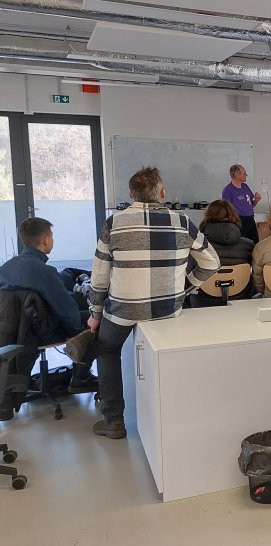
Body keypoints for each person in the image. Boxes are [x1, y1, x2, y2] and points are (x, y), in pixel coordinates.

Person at [88, 167, 220, 439]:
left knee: (107, 350)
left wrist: (95, 313)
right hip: (167, 309)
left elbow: (99, 276)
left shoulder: (113, 223)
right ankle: (175, 418)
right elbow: (212, 262)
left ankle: (113, 420)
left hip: (123, 308)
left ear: (130, 194)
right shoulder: (182, 222)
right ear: (162, 193)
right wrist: (187, 286)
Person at [0, 218, 99, 420]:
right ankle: (81, 376)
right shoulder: (45, 272)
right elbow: (68, 314)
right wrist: (80, 327)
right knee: (98, 318)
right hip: (40, 332)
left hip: (14, 334)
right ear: (45, 239)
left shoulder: (6, 268)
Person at [191, 200, 255, 305]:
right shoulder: (248, 245)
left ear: (207, 217)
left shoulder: (196, 245)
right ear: (235, 216)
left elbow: (189, 275)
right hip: (241, 300)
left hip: (204, 302)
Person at [221, 164, 261, 244]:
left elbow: (251, 204)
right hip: (239, 221)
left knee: (255, 243)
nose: (246, 175)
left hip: (250, 219)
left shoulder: (245, 186)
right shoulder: (228, 190)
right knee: (241, 244)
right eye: (244, 173)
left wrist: (256, 200)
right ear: (237, 175)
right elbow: (226, 210)